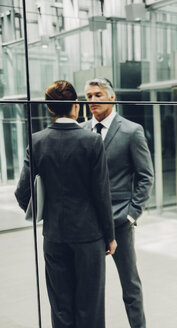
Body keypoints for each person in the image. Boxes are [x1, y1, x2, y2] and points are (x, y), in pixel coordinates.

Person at [15, 80, 116, 328]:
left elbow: (22, 192)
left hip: (54, 236)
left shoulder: (36, 141)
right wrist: (110, 236)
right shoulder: (92, 141)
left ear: (50, 109)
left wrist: (43, 213)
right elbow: (101, 194)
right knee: (90, 308)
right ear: (76, 106)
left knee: (60, 307)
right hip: (88, 237)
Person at [82, 77, 154, 328]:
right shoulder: (80, 131)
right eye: (88, 96)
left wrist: (132, 214)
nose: (92, 101)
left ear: (111, 97)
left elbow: (146, 176)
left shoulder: (131, 131)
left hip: (120, 221)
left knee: (130, 285)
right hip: (87, 223)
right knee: (89, 287)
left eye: (97, 95)